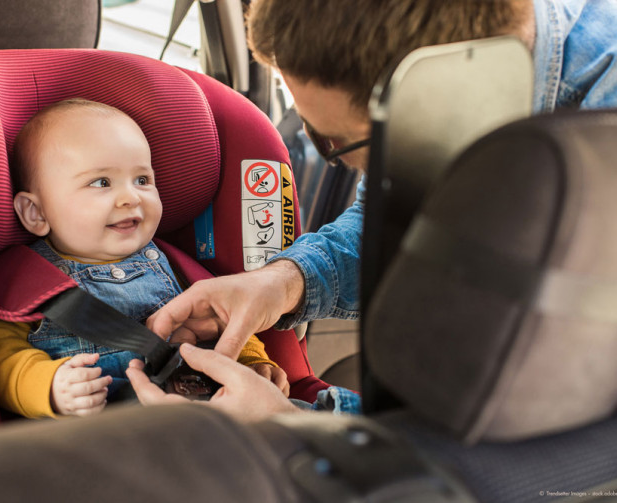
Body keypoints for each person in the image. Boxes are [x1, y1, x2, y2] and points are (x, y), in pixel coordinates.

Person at [128, 0, 617, 420]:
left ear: (443, 94)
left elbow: (560, 444)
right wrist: (281, 283)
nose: (330, 154)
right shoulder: (455, 87)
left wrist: (297, 428)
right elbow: (390, 217)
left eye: (335, 140)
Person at [0, 98, 288, 419]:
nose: (130, 197)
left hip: (212, 415)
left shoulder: (176, 265)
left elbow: (225, 322)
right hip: (114, 433)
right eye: (101, 182)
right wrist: (50, 386)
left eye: (142, 180)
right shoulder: (24, 283)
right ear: (36, 212)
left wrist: (252, 361)